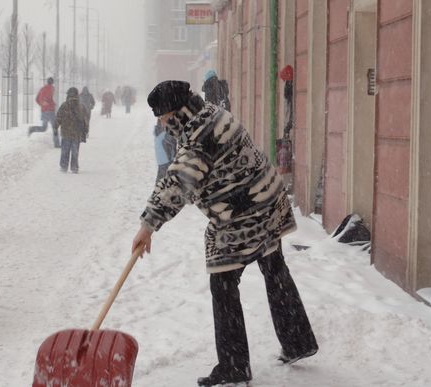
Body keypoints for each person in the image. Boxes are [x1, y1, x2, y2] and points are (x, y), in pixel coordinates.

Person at [131, 80, 318, 386]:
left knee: (223, 284)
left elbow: (178, 183)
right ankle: (298, 341)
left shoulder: (198, 136)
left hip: (243, 214)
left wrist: (147, 225)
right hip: (267, 199)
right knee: (274, 269)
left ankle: (234, 366)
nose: (162, 125)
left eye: (162, 118)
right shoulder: (211, 112)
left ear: (175, 113)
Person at [55, 87, 88, 174]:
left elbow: (58, 117)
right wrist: (85, 131)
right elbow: (85, 121)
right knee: (75, 151)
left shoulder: (64, 105)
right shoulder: (81, 106)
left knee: (65, 150)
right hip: (76, 134)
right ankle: (74, 167)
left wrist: (55, 127)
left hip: (66, 132)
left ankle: (64, 166)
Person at [29, 77, 59, 147]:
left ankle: (32, 129)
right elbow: (50, 99)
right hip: (51, 111)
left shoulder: (42, 89)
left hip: (44, 112)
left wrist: (42, 105)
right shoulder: (52, 89)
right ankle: (57, 144)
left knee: (44, 128)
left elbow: (37, 99)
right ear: (52, 82)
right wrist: (53, 104)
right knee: (55, 127)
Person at [153, 119, 177, 184]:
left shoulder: (157, 132)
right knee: (166, 181)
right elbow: (174, 144)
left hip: (161, 162)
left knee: (160, 181)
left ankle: (157, 192)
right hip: (167, 161)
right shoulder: (165, 135)